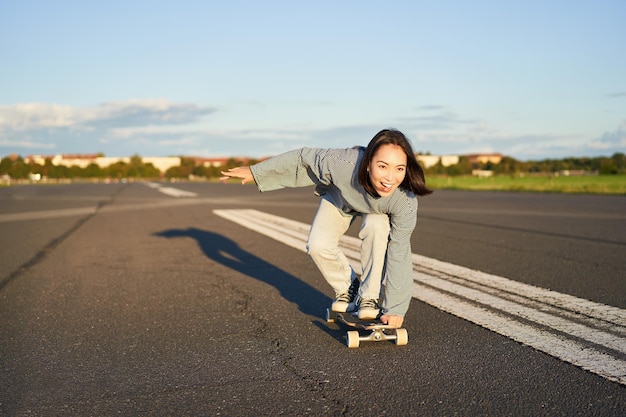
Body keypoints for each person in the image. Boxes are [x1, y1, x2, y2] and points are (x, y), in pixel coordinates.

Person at [220, 128, 432, 328]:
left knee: (376, 225)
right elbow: (302, 157)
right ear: (368, 163)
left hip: (377, 211)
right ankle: (349, 289)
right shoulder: (342, 163)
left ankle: (368, 298)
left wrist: (396, 308)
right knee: (318, 245)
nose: (390, 178)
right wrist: (256, 172)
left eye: (399, 169)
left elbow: (399, 252)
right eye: (382, 166)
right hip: (341, 196)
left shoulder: (404, 200)